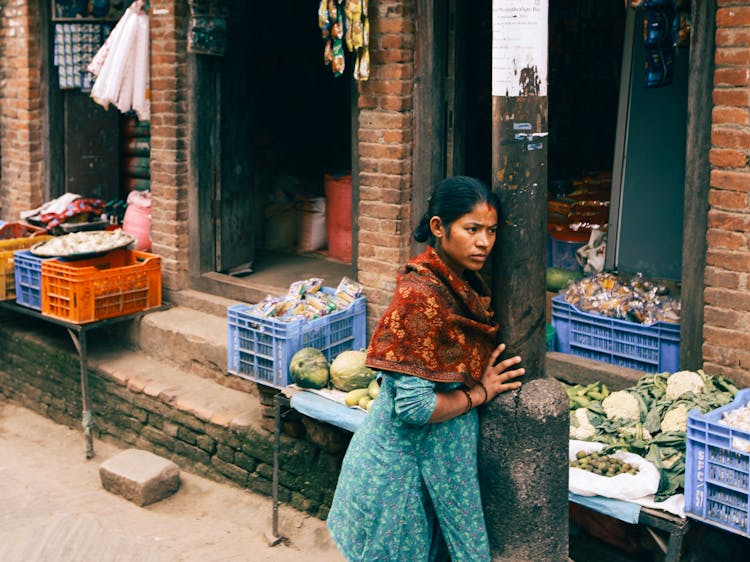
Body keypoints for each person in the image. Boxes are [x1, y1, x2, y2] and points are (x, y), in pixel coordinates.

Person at [326, 176, 525, 561]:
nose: (484, 242)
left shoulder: (460, 287)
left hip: (435, 466)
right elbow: (413, 408)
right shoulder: (420, 297)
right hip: (399, 475)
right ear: (439, 228)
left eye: (491, 231)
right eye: (472, 229)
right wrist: (480, 393)